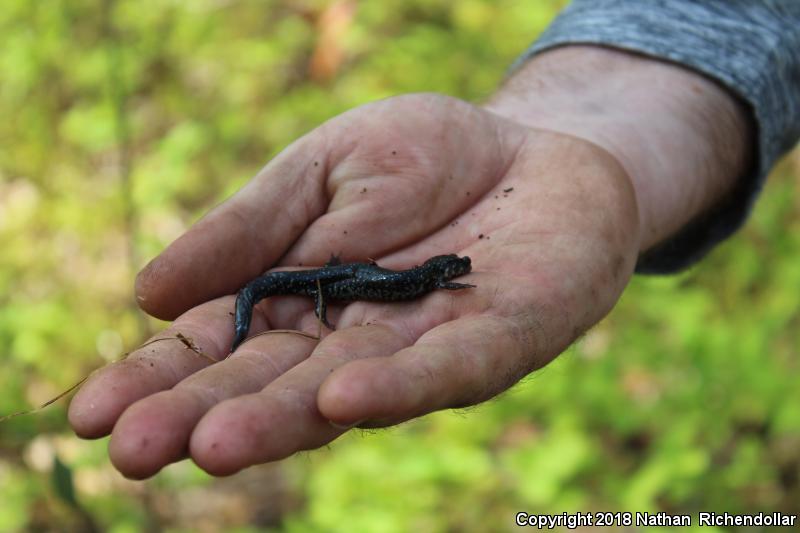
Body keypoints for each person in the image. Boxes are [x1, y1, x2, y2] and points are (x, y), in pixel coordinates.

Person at [68, 0, 800, 479]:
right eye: (452, 268)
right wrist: (323, 293)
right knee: (300, 286)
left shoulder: (434, 278)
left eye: (452, 269)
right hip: (339, 279)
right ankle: (262, 307)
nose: (455, 270)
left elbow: (432, 276)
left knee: (331, 290)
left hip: (355, 277)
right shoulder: (413, 277)